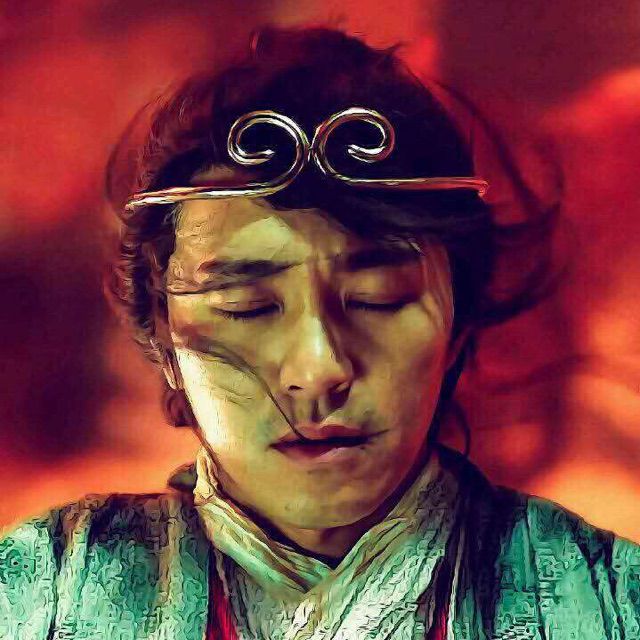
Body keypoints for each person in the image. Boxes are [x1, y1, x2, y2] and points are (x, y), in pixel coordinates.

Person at [1, 25, 638, 640]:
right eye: (247, 307)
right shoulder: (45, 594)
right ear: (165, 338)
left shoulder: (609, 601)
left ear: (459, 323)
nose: (320, 368)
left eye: (376, 298)